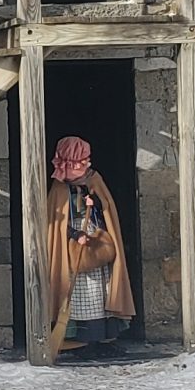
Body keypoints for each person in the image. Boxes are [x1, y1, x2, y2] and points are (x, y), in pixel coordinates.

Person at [41, 136, 133, 357]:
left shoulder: (94, 179)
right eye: (82, 160)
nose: (87, 164)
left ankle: (101, 338)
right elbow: (54, 222)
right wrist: (74, 234)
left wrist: (97, 204)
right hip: (71, 248)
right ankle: (78, 339)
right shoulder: (59, 188)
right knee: (77, 292)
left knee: (100, 291)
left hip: (95, 241)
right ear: (69, 162)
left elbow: (107, 209)